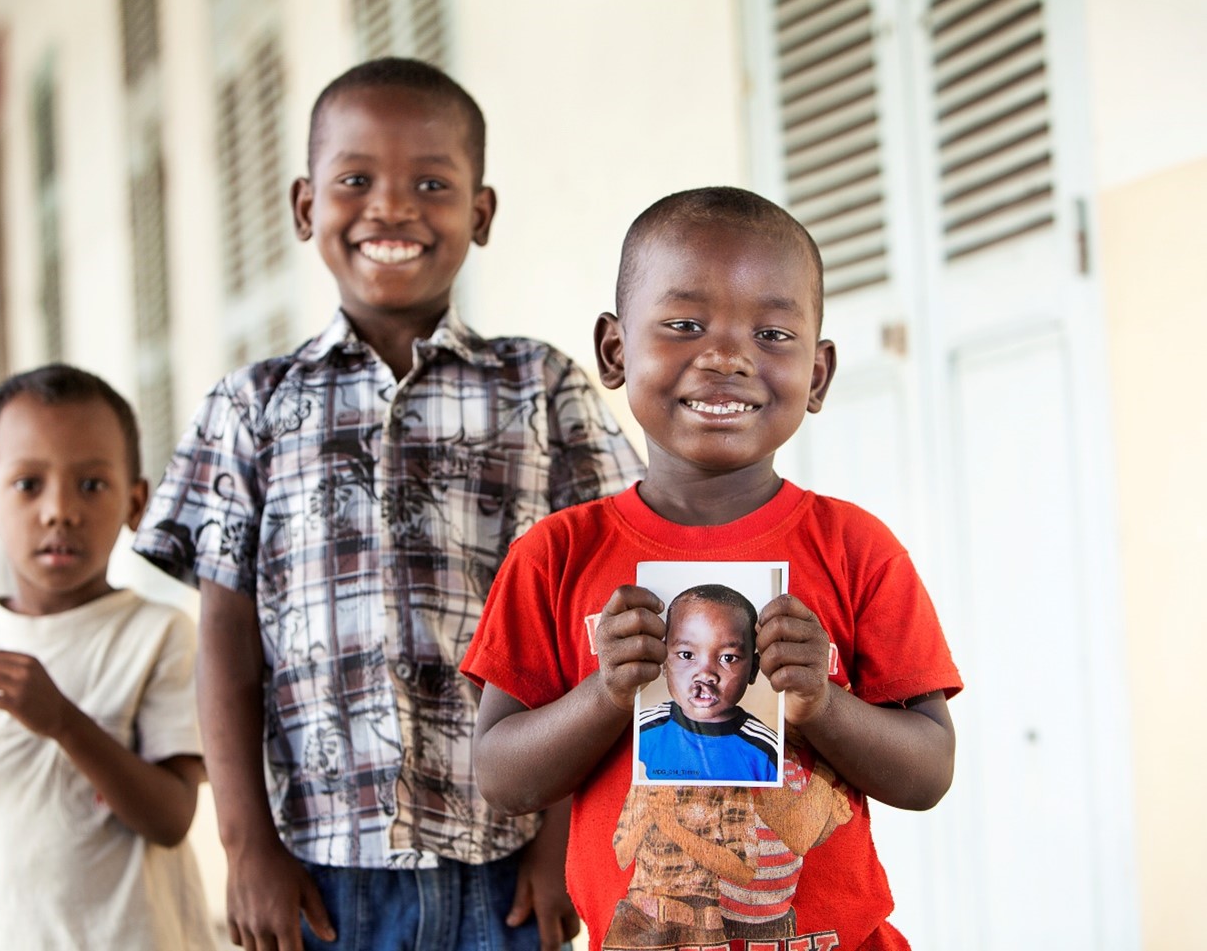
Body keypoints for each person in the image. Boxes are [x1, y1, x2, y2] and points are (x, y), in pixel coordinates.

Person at [133, 57, 643, 951]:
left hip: (508, 861)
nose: (392, 208)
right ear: (305, 206)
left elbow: (587, 632)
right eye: (355, 179)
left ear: (480, 215)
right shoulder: (251, 406)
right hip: (319, 873)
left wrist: (561, 836)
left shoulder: (545, 389)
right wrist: (245, 842)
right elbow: (226, 648)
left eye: (432, 183)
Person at [464, 187, 962, 951]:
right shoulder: (556, 557)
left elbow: (928, 771)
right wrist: (605, 695)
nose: (726, 356)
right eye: (685, 324)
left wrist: (823, 705)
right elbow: (501, 774)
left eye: (771, 331)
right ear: (614, 351)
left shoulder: (858, 549)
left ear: (819, 374)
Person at [0, 364, 218, 951]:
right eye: (29, 484)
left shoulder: (158, 635)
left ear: (137, 503)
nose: (59, 510)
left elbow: (171, 818)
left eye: (91, 485)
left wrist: (64, 722)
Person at [637, 584, 778, 783]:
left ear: (753, 670)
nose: (705, 674)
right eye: (687, 655)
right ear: (665, 663)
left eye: (728, 658)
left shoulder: (769, 751)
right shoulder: (642, 729)